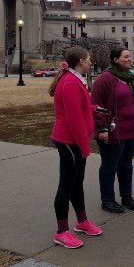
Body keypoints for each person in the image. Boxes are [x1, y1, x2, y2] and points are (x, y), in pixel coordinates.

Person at [49, 47, 102, 249]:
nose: (91, 62)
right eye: (89, 59)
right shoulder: (70, 82)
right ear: (80, 61)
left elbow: (80, 108)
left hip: (75, 141)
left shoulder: (74, 79)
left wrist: (94, 109)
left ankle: (82, 221)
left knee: (76, 183)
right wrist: (84, 146)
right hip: (69, 142)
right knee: (66, 186)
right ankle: (61, 231)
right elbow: (74, 119)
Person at [91, 48, 134, 214]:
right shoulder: (105, 79)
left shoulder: (131, 78)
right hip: (114, 130)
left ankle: (126, 196)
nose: (130, 59)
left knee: (126, 165)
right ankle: (107, 200)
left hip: (132, 129)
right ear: (115, 59)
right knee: (110, 165)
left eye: (130, 57)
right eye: (126, 57)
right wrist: (102, 128)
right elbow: (96, 106)